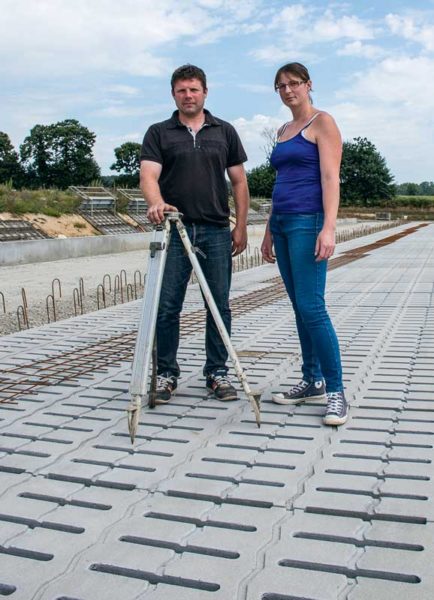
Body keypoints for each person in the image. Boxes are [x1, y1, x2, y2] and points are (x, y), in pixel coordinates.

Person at [140, 64, 249, 404]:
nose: (188, 96)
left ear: (205, 92)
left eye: (194, 90)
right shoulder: (159, 133)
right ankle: (166, 375)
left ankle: (217, 373)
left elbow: (239, 181)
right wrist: (157, 203)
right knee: (167, 306)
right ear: (173, 94)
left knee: (218, 305)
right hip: (175, 229)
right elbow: (148, 175)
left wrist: (241, 225)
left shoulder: (225, 131)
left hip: (216, 230)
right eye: (182, 90)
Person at [261, 62, 348, 426]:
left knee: (313, 306)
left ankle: (336, 392)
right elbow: (280, 183)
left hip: (307, 222)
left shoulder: (322, 123)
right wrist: (268, 230)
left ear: (309, 85)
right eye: (280, 85)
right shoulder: (283, 129)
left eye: (294, 83)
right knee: (299, 306)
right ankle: (311, 379)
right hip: (281, 223)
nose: (287, 90)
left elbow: (331, 178)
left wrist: (328, 227)